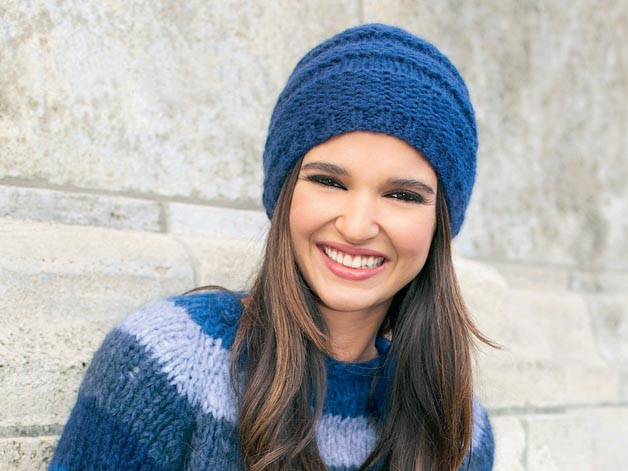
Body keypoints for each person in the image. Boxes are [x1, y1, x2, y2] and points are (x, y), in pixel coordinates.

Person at [49, 23, 495, 471]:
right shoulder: (167, 362)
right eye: (328, 182)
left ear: (439, 224)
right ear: (284, 194)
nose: (357, 226)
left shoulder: (461, 431)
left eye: (401, 195)